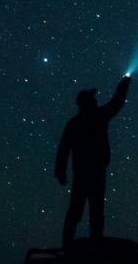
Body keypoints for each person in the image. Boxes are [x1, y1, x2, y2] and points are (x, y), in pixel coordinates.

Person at [54, 73, 132, 248]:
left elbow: (63, 149)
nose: (96, 101)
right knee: (94, 210)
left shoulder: (74, 123)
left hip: (82, 172)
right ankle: (94, 244)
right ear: (87, 102)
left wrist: (60, 170)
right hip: (93, 171)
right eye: (93, 99)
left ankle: (68, 245)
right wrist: (125, 83)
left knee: (78, 209)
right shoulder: (97, 117)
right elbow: (116, 103)